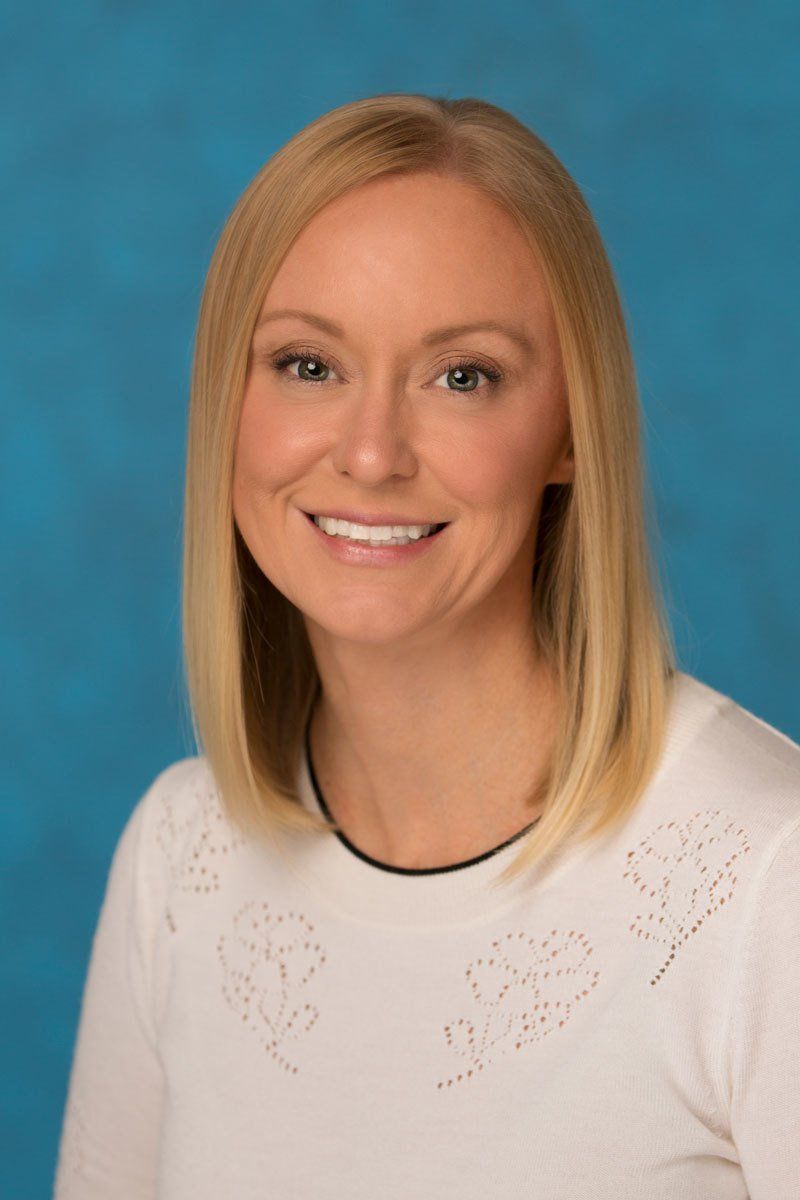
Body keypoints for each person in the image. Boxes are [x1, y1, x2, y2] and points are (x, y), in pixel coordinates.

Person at [54, 93, 800, 1199]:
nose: (368, 454)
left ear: (567, 434)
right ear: (227, 402)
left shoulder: (762, 880)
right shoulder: (180, 856)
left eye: (463, 377)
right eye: (308, 365)